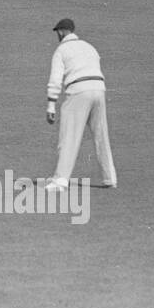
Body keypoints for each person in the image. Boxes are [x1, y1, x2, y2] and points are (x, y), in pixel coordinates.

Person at [43, 17, 117, 191]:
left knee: (69, 136)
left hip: (78, 90)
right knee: (101, 135)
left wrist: (51, 105)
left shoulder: (61, 50)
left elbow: (55, 79)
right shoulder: (90, 47)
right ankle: (110, 178)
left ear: (61, 32)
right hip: (99, 89)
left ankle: (60, 180)